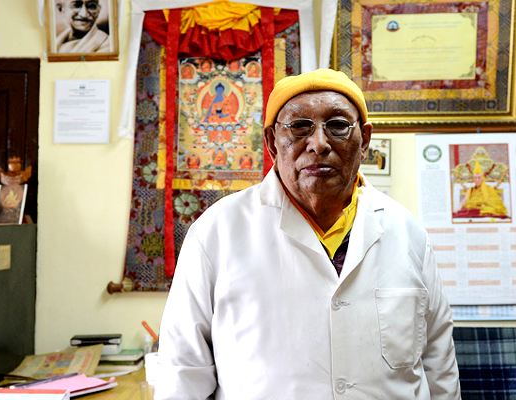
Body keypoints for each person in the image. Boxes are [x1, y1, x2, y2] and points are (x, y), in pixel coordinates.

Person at [157, 69, 461, 399]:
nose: (318, 143)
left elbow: (438, 364)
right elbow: (182, 372)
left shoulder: (406, 231)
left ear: (365, 141)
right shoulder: (217, 232)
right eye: (300, 127)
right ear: (272, 142)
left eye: (338, 126)